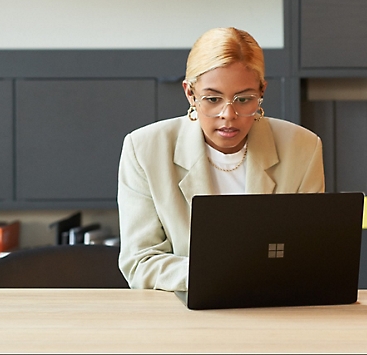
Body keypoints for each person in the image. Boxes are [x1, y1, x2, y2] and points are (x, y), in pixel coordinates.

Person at [117, 27, 324, 291]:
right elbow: (140, 263)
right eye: (213, 99)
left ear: (262, 91)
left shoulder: (302, 147)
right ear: (190, 93)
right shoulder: (144, 149)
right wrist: (222, 273)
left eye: (244, 99)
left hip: (273, 308)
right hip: (185, 312)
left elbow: (310, 255)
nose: (228, 114)